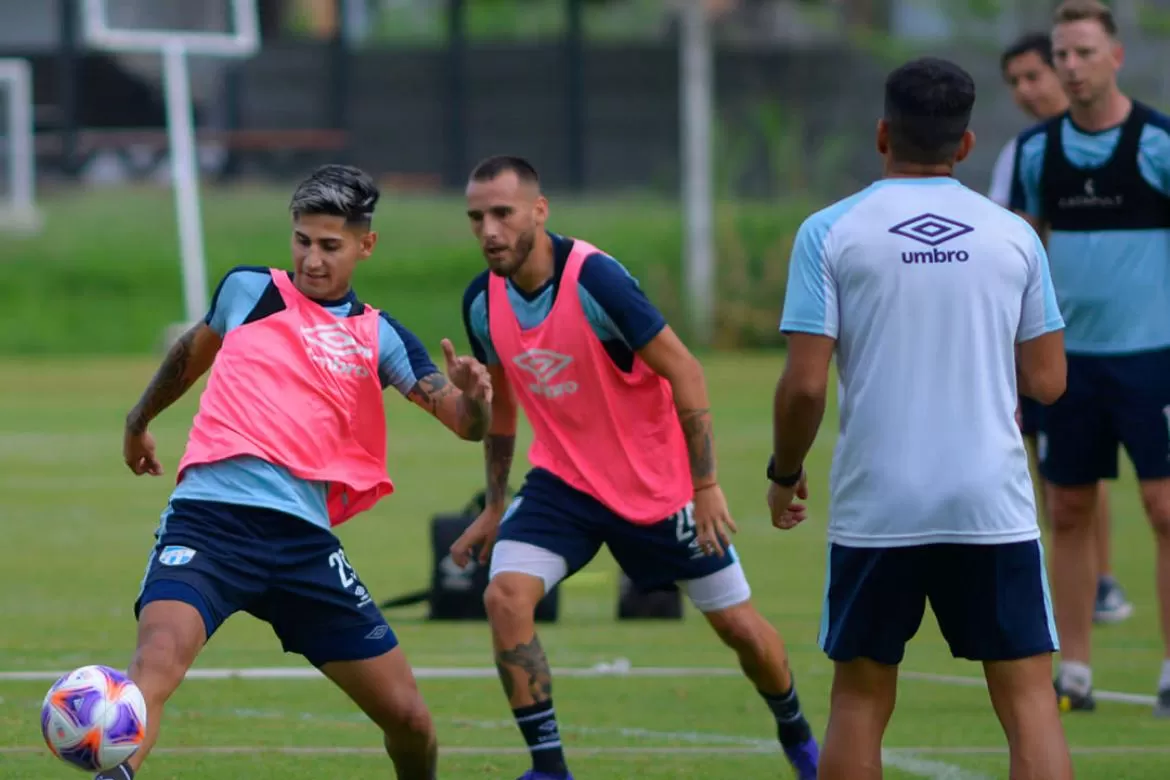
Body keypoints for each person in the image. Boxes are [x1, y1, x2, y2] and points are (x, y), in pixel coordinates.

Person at [108, 164, 493, 780]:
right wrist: (138, 419)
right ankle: (114, 770)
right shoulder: (248, 290)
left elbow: (464, 423)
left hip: (304, 546)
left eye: (330, 246)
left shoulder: (379, 335)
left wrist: (476, 399)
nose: (312, 260)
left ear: (365, 246)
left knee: (411, 721)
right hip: (209, 526)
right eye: (303, 242)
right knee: (152, 669)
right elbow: (190, 355)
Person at [448, 155, 819, 780]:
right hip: (563, 484)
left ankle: (799, 737)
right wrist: (492, 504)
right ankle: (548, 769)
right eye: (477, 217)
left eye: (503, 214)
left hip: (658, 487)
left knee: (741, 631)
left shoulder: (595, 281)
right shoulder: (481, 303)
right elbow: (504, 407)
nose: (489, 230)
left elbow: (685, 370)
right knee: (505, 597)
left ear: (539, 211)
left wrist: (704, 487)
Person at [769, 57, 1073, 780]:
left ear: (882, 134)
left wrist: (785, 472)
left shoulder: (829, 232)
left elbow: (805, 387)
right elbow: (1048, 382)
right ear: (965, 146)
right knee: (1029, 700)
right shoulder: (1014, 237)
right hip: (988, 501)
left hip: (881, 503)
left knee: (860, 700)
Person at [1009, 0, 1170, 715]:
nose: (1069, 68)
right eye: (1061, 55)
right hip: (1069, 364)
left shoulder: (1160, 143)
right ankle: (1073, 669)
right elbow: (1020, 253)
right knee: (1068, 507)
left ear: (1115, 58)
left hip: (1154, 360)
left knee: (1164, 507)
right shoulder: (1038, 151)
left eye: (1081, 53)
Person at [991, 30, 1134, 626]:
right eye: (1016, 82)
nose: (1027, 90)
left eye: (1035, 75)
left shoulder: (1128, 145)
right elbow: (1003, 239)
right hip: (1039, 334)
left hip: (1120, 336)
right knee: (1052, 460)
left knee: (1093, 464)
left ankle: (1100, 579)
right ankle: (1083, 579)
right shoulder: (1022, 153)